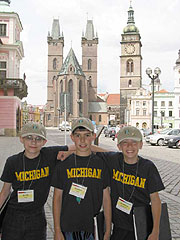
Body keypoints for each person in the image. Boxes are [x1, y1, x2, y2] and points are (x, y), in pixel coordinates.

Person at [0, 122, 74, 240]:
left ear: (44, 142)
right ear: (21, 139)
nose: (33, 142)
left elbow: (80, 147)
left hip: (37, 217)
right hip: (13, 216)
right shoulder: (12, 161)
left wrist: (108, 154)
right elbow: (4, 192)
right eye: (29, 137)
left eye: (38, 138)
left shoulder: (49, 155)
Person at [96, 126, 165, 240]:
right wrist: (67, 151)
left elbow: (155, 200)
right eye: (125, 143)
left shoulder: (148, 167)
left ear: (140, 145)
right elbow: (89, 149)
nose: (129, 146)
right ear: (119, 146)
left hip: (140, 225)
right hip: (119, 226)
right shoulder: (113, 160)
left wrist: (155, 231)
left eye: (134, 142)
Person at [51, 117, 112, 240]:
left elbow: (106, 199)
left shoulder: (101, 164)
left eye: (87, 135)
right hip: (68, 227)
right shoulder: (63, 165)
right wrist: (57, 230)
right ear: (72, 137)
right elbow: (57, 198)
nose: (82, 140)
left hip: (92, 227)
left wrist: (107, 230)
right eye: (78, 135)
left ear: (93, 136)